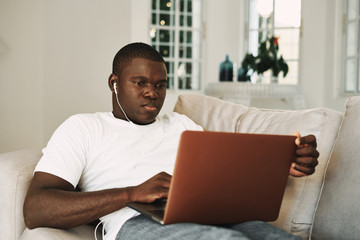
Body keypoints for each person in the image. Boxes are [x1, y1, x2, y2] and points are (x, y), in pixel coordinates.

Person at [23, 42, 319, 240]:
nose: (153, 93)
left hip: (210, 214)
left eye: (160, 85)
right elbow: (36, 208)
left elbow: (222, 180)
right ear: (114, 83)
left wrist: (280, 166)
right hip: (135, 223)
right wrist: (133, 192)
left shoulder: (183, 126)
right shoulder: (83, 127)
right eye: (140, 83)